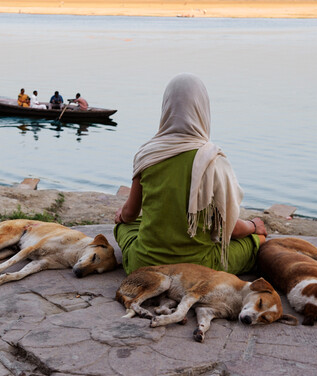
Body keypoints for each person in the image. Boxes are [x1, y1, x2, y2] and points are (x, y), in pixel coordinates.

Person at [114, 73, 267, 276]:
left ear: (166, 107)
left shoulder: (147, 154)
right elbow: (231, 230)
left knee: (123, 227)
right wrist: (253, 225)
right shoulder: (213, 160)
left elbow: (130, 214)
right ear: (203, 108)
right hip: (199, 268)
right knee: (256, 241)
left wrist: (122, 216)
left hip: (144, 264)